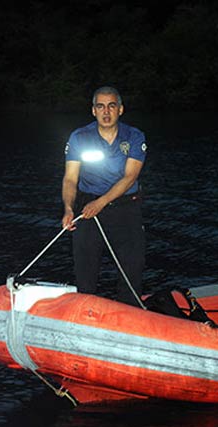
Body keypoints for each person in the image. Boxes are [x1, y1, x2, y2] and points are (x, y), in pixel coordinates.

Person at [61, 86, 147, 306]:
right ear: (93, 111)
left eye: (111, 106)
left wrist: (101, 202)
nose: (106, 112)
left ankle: (131, 319)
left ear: (120, 109)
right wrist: (69, 209)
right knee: (85, 277)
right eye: (100, 106)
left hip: (125, 209)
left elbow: (130, 177)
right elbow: (70, 178)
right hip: (88, 211)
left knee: (131, 275)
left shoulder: (134, 137)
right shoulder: (79, 137)